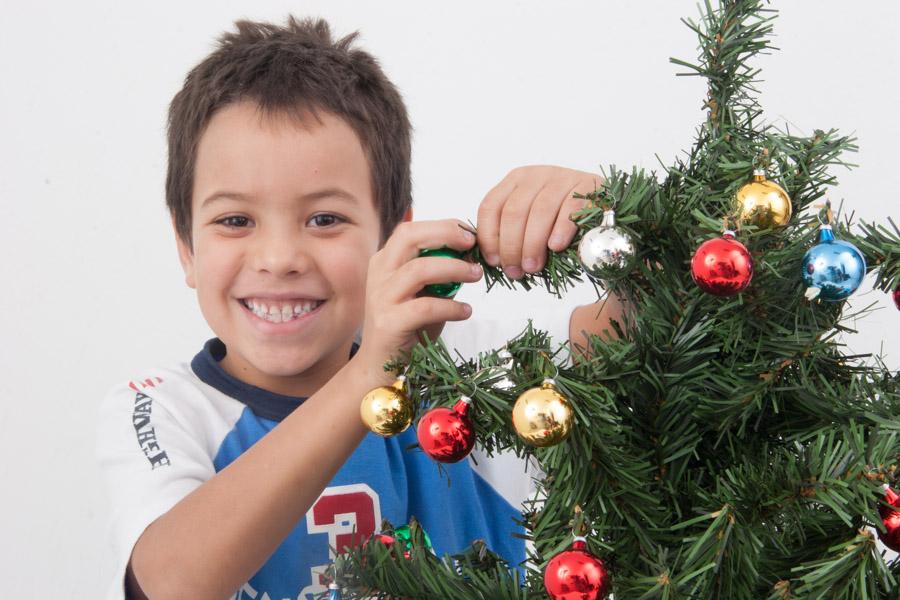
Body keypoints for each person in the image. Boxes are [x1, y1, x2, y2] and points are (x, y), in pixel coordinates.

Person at [96, 16, 624, 600]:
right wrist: (370, 376)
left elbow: (664, 338)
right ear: (186, 247)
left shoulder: (466, 364)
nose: (278, 258)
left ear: (390, 238)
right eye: (234, 220)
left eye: (325, 219)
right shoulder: (162, 409)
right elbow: (168, 585)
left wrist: (618, 218)